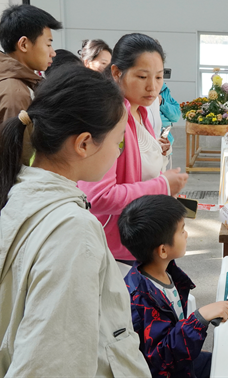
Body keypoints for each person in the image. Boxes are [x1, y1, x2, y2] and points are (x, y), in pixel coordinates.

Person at [0, 65, 150, 376]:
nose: (118, 153)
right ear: (84, 144)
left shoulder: (17, 192)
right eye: (118, 142)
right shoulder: (72, 231)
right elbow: (50, 365)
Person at [78, 33, 188, 263]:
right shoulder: (110, 119)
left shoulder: (141, 112)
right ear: (117, 72)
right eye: (142, 76)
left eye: (159, 77)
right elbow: (98, 196)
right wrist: (162, 186)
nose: (152, 86)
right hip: (116, 247)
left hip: (141, 241)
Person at [119, 195, 228, 378]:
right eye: (182, 231)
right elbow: (162, 358)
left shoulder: (166, 271)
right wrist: (199, 319)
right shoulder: (140, 301)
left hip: (184, 362)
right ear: (163, 250)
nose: (186, 234)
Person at [0, 4, 62, 170]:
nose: (53, 52)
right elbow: (14, 166)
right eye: (48, 44)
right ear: (24, 44)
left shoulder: (16, 85)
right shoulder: (13, 93)